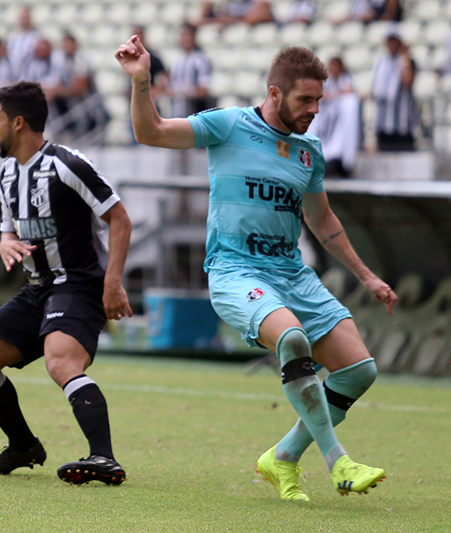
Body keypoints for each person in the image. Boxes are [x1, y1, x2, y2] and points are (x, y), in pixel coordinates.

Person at [117, 37, 396, 500]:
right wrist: (142, 80)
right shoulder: (229, 125)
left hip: (293, 274)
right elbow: (152, 132)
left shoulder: (309, 151)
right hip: (235, 271)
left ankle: (282, 457)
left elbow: (322, 219)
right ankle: (337, 462)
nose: (314, 109)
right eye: (305, 99)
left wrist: (366, 275)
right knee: (291, 338)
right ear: (274, 93)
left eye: (319, 100)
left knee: (358, 371)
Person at [0, 81, 133, 486]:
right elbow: (7, 229)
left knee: (61, 362)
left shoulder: (68, 164)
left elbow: (119, 218)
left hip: (77, 285)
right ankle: (22, 446)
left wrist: (113, 283)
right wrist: (5, 241)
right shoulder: (5, 173)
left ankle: (103, 457)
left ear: (18, 123)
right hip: (37, 288)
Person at [308, 57, 361, 177]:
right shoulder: (327, 83)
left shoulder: (346, 80)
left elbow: (349, 92)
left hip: (339, 124)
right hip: (326, 124)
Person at [371, 31, 417, 151]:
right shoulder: (381, 61)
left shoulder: (406, 61)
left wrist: (404, 55)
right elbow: (375, 88)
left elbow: (407, 81)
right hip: (384, 121)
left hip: (402, 122)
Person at [168, 23, 214, 118]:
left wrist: (187, 93)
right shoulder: (177, 59)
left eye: (188, 37)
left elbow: (204, 87)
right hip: (177, 106)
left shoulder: (200, 59)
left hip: (193, 107)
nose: (185, 40)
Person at [7, 7, 41, 78]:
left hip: (30, 71)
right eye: (21, 18)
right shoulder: (13, 37)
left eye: (25, 18)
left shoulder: (36, 36)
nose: (23, 21)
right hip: (15, 71)